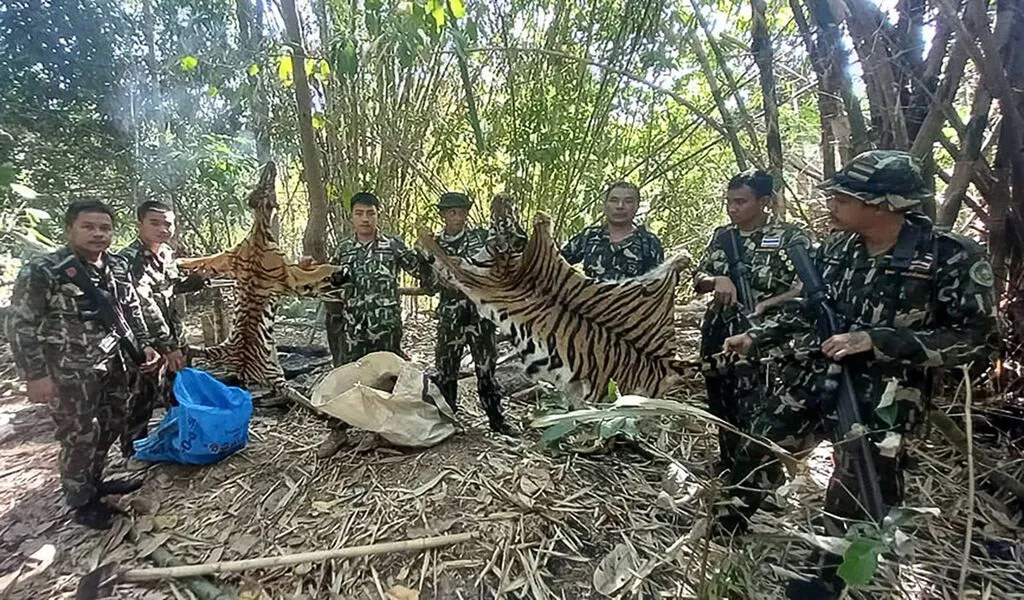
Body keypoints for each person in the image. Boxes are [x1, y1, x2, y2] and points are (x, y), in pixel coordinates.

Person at [722, 151, 998, 598]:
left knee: (858, 490)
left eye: (843, 198)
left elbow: (978, 339)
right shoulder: (837, 248)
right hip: (816, 374)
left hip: (885, 397)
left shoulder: (951, 257)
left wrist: (880, 340)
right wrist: (758, 337)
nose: (831, 204)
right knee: (760, 447)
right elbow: (814, 310)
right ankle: (724, 529)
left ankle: (829, 581)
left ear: (885, 204)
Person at [6, 201, 162, 529]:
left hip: (115, 365)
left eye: (105, 228)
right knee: (79, 435)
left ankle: (96, 481)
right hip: (67, 371)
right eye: (88, 227)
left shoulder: (116, 266)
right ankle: (81, 501)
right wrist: (35, 375)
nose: (98, 234)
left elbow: (130, 308)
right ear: (69, 230)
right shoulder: (44, 270)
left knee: (111, 424)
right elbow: (21, 324)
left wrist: (144, 345)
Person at [693, 170, 811, 479]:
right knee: (721, 399)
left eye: (741, 202)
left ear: (764, 202)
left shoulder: (790, 237)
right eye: (729, 201)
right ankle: (729, 464)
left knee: (760, 405)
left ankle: (763, 478)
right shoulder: (723, 236)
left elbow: (806, 286)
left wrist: (767, 305)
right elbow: (698, 278)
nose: (733, 208)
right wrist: (717, 280)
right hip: (720, 329)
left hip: (767, 335)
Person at [315, 192, 425, 457]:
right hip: (354, 327)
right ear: (351, 216)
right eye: (360, 213)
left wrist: (427, 250)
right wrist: (314, 271)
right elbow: (332, 281)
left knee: (386, 380)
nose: (365, 218)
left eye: (370, 213)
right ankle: (338, 432)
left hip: (386, 326)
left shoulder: (394, 246)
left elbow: (422, 272)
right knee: (346, 377)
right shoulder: (344, 249)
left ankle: (378, 432)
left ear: (378, 215)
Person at [117, 200, 207, 458]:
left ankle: (182, 438)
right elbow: (143, 304)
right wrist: (167, 347)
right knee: (141, 396)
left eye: (167, 223)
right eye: (154, 223)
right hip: (144, 342)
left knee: (177, 388)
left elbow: (167, 288)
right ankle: (133, 451)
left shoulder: (166, 253)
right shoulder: (129, 260)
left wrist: (192, 283)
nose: (162, 228)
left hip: (174, 334)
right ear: (140, 225)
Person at [421, 192, 514, 435]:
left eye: (462, 211)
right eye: (451, 212)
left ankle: (497, 420)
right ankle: (447, 420)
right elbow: (428, 286)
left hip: (480, 315)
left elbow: (503, 252)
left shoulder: (481, 237)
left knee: (486, 370)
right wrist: (434, 266)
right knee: (446, 371)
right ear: (442, 215)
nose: (457, 216)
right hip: (450, 316)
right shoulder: (433, 244)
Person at [561, 181, 664, 281]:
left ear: (637, 206)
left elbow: (658, 286)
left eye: (628, 201)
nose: (620, 206)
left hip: (632, 298)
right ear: (605, 205)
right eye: (614, 200)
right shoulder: (589, 236)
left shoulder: (649, 243)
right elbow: (556, 264)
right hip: (591, 297)